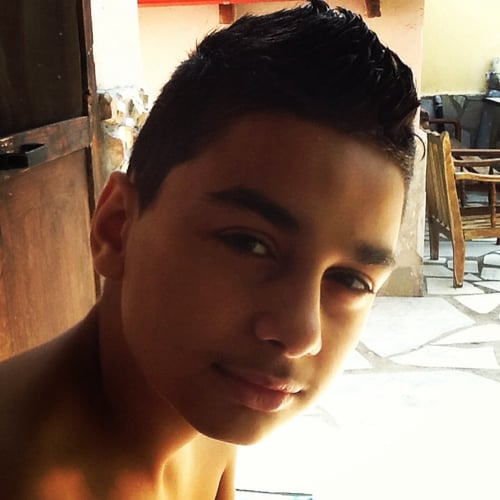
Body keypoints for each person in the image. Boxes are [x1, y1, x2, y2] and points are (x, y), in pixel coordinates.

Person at [0, 1, 419, 498]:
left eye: (350, 280)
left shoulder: (207, 404)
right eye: (250, 244)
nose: (300, 334)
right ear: (116, 229)